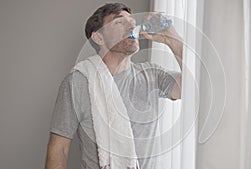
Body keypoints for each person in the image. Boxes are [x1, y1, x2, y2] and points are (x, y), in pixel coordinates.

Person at [45, 2, 183, 169]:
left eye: (132, 21)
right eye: (119, 22)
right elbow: (59, 149)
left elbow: (193, 87)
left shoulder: (152, 74)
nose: (131, 25)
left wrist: (172, 38)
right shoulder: (79, 82)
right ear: (99, 37)